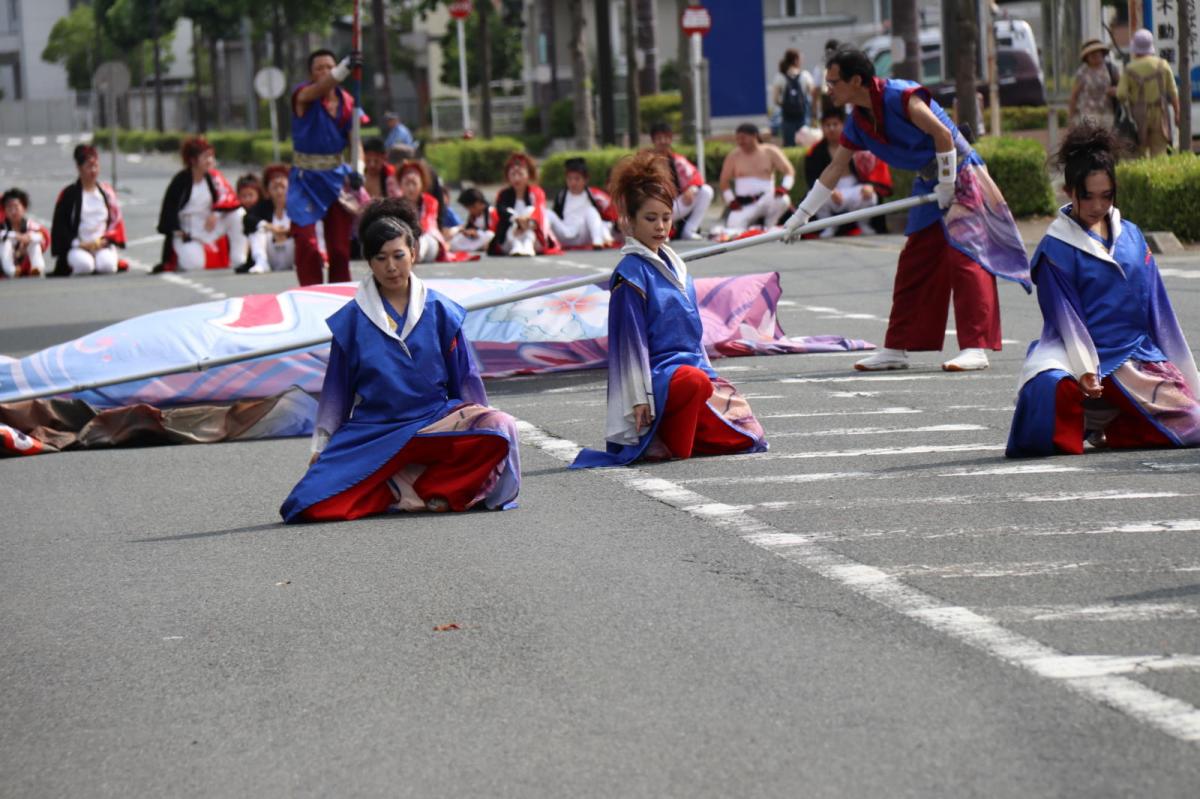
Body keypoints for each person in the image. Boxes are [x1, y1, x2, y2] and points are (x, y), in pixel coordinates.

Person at [786, 47, 1031, 372]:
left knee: (965, 257)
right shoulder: (857, 121)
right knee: (915, 260)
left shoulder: (899, 96)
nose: (828, 89)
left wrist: (947, 185)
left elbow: (942, 134)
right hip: (930, 181)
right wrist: (802, 215)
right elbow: (834, 169)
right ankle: (897, 348)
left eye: (834, 82)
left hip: (961, 172)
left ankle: (975, 347)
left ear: (856, 80)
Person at [280, 197, 521, 522]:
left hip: (434, 420)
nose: (391, 267)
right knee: (306, 505)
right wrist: (321, 448)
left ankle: (427, 486)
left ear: (414, 254)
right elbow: (337, 391)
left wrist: (477, 421)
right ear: (368, 261)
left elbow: (464, 377)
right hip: (374, 428)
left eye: (398, 256)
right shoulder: (351, 320)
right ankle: (403, 486)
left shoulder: (439, 311)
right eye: (380, 258)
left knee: (499, 429)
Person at [1006, 123, 1199, 457]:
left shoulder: (1133, 236)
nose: (1098, 205)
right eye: (1088, 196)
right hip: (1075, 352)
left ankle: (1115, 424)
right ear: (1069, 192)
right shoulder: (1056, 248)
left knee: (1194, 423)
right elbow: (1066, 320)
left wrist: (1184, 372)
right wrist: (1084, 370)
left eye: (1107, 195)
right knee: (1045, 388)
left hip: (1135, 356)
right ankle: (1094, 417)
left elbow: (1159, 310)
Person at [570, 150, 767, 469]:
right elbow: (629, 345)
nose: (660, 227)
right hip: (658, 378)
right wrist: (637, 398)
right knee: (691, 383)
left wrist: (712, 373)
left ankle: (672, 434)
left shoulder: (676, 264)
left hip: (694, 372)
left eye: (666, 217)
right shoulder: (630, 273)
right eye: (650, 219)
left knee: (747, 435)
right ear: (629, 221)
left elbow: (693, 332)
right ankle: (664, 437)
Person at [288, 48, 363, 286]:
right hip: (304, 180)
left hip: (336, 179)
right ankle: (309, 293)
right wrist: (343, 68)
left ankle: (339, 298)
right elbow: (320, 88)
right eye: (319, 68)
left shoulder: (348, 102)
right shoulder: (303, 95)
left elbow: (355, 141)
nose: (325, 72)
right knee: (307, 244)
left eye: (329, 67)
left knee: (340, 250)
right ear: (311, 74)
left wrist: (357, 169)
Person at [153, 136, 247, 272]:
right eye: (205, 157)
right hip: (189, 232)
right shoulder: (180, 181)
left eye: (211, 156)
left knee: (239, 215)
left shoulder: (214, 178)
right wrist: (179, 232)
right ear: (193, 160)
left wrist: (216, 213)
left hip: (209, 225)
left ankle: (238, 258)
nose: (210, 161)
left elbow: (228, 197)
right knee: (194, 264)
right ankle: (182, 255)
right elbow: (169, 211)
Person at [802, 102, 893, 237]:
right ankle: (828, 226)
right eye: (827, 125)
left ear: (843, 125)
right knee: (813, 194)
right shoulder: (815, 152)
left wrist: (870, 186)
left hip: (855, 188)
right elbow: (812, 178)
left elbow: (872, 170)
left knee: (870, 195)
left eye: (835, 124)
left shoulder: (858, 145)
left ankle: (864, 225)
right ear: (822, 128)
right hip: (829, 188)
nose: (831, 128)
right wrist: (830, 191)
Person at [50, 144, 126, 277]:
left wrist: (106, 240)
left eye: (96, 166)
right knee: (85, 266)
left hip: (102, 244)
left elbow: (115, 221)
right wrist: (80, 244)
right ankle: (74, 262)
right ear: (79, 168)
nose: (93, 170)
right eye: (89, 166)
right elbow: (60, 226)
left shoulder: (107, 192)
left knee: (107, 266)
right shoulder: (69, 194)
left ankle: (105, 258)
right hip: (78, 246)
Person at [717, 123, 795, 234]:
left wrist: (784, 187)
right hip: (744, 204)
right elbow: (723, 181)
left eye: (743, 138)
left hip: (767, 199)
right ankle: (753, 228)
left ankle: (769, 225)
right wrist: (731, 201)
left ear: (754, 136)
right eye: (738, 138)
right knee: (733, 228)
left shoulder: (770, 151)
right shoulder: (734, 156)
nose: (740, 141)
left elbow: (789, 171)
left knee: (783, 199)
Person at [1117, 29, 1180, 158]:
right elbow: (1173, 91)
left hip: (1138, 114)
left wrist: (1131, 99)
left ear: (1134, 47)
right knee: (1160, 151)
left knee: (1140, 151)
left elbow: (1120, 94)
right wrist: (1177, 113)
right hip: (1160, 112)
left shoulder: (1130, 68)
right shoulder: (1163, 65)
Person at [649, 121, 713, 241]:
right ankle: (659, 232)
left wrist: (692, 188)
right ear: (653, 140)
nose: (663, 141)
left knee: (706, 191)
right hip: (652, 208)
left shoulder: (678, 160)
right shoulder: (646, 161)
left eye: (666, 138)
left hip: (674, 206)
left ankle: (689, 230)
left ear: (670, 139)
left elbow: (696, 176)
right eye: (659, 138)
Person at [488, 152, 559, 257]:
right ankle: (516, 245)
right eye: (513, 174)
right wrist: (517, 219)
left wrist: (527, 220)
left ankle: (528, 245)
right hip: (509, 239)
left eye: (520, 174)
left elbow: (539, 211)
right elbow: (501, 211)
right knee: (512, 217)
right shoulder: (503, 194)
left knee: (529, 210)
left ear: (528, 175)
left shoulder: (536, 193)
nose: (517, 178)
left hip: (534, 236)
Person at [546, 158, 617, 249]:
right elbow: (556, 214)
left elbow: (610, 207)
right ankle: (546, 241)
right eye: (570, 179)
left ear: (585, 180)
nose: (573, 183)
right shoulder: (561, 196)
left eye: (577, 179)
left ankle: (598, 241)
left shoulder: (593, 194)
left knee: (591, 211)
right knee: (547, 213)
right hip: (564, 232)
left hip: (583, 233)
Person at [239, 164, 296, 274]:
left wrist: (287, 231)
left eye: (282, 187)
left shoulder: (296, 206)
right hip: (272, 254)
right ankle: (261, 262)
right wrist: (270, 227)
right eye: (275, 188)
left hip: (291, 253)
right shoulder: (263, 207)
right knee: (257, 229)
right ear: (268, 190)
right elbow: (248, 219)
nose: (279, 191)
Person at [395, 159, 451, 262]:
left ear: (422, 184)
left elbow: (428, 223)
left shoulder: (430, 201)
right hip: (403, 241)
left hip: (428, 239)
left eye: (414, 183)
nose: (411, 188)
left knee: (424, 240)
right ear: (401, 185)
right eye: (407, 184)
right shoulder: (396, 204)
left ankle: (415, 254)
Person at [1069, 39, 1118, 130]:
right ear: (1087, 57)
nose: (1095, 56)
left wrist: (1115, 91)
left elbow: (1121, 87)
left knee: (1107, 140)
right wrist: (1071, 119)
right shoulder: (1082, 72)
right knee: (1091, 140)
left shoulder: (1110, 69)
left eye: (1097, 53)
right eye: (1092, 54)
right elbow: (1074, 96)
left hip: (1107, 114)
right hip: (1088, 115)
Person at [771, 48, 815, 147]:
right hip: (802, 114)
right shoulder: (805, 75)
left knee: (789, 144)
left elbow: (775, 99)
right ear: (796, 60)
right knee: (804, 144)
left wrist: (785, 105)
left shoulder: (779, 76)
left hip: (787, 116)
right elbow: (812, 94)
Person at [1, 188, 48, 278]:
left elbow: (42, 236)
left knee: (35, 243)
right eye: (9, 208)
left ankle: (37, 268)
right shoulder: (2, 226)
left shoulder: (30, 225)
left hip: (24, 259)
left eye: (16, 207)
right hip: (4, 263)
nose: (13, 211)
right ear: (5, 211)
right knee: (5, 242)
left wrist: (28, 238)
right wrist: (15, 236)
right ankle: (11, 270)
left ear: (24, 208)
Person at [447, 188, 495, 254]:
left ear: (478, 203)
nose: (470, 210)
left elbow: (494, 231)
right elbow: (469, 228)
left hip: (488, 237)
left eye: (471, 207)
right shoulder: (473, 216)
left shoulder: (492, 212)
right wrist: (467, 232)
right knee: (455, 240)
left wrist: (477, 233)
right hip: (476, 240)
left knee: (489, 235)